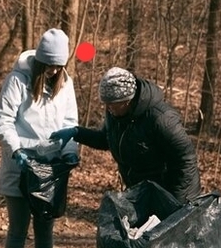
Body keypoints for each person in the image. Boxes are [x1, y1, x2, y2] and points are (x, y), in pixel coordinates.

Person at [0, 28, 80, 248]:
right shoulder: (17, 80)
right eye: (51, 65)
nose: (55, 71)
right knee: (18, 228)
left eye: (60, 65)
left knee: (45, 229)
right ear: (41, 61)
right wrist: (16, 149)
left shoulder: (65, 84)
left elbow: (69, 123)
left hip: (49, 169)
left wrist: (69, 152)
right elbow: (3, 119)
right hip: (20, 165)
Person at [51, 65, 201, 203]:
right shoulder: (116, 114)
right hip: (140, 190)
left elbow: (186, 159)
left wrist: (174, 201)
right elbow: (105, 140)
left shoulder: (162, 119)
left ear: (127, 101)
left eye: (112, 104)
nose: (108, 108)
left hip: (171, 191)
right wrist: (77, 132)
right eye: (106, 103)